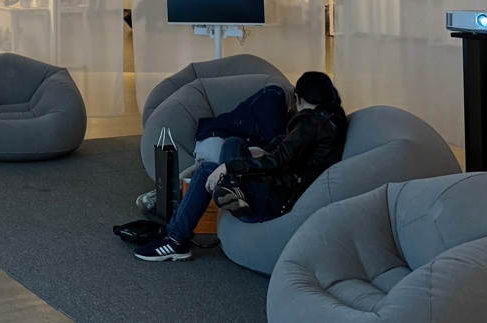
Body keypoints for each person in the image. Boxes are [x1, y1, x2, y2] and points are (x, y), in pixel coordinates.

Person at [134, 71, 347, 262]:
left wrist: (229, 167)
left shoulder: (310, 121)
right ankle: (231, 188)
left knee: (207, 170)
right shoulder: (330, 120)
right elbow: (288, 152)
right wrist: (261, 152)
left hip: (274, 200)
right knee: (233, 143)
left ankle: (174, 239)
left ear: (298, 98)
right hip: (280, 190)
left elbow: (279, 160)